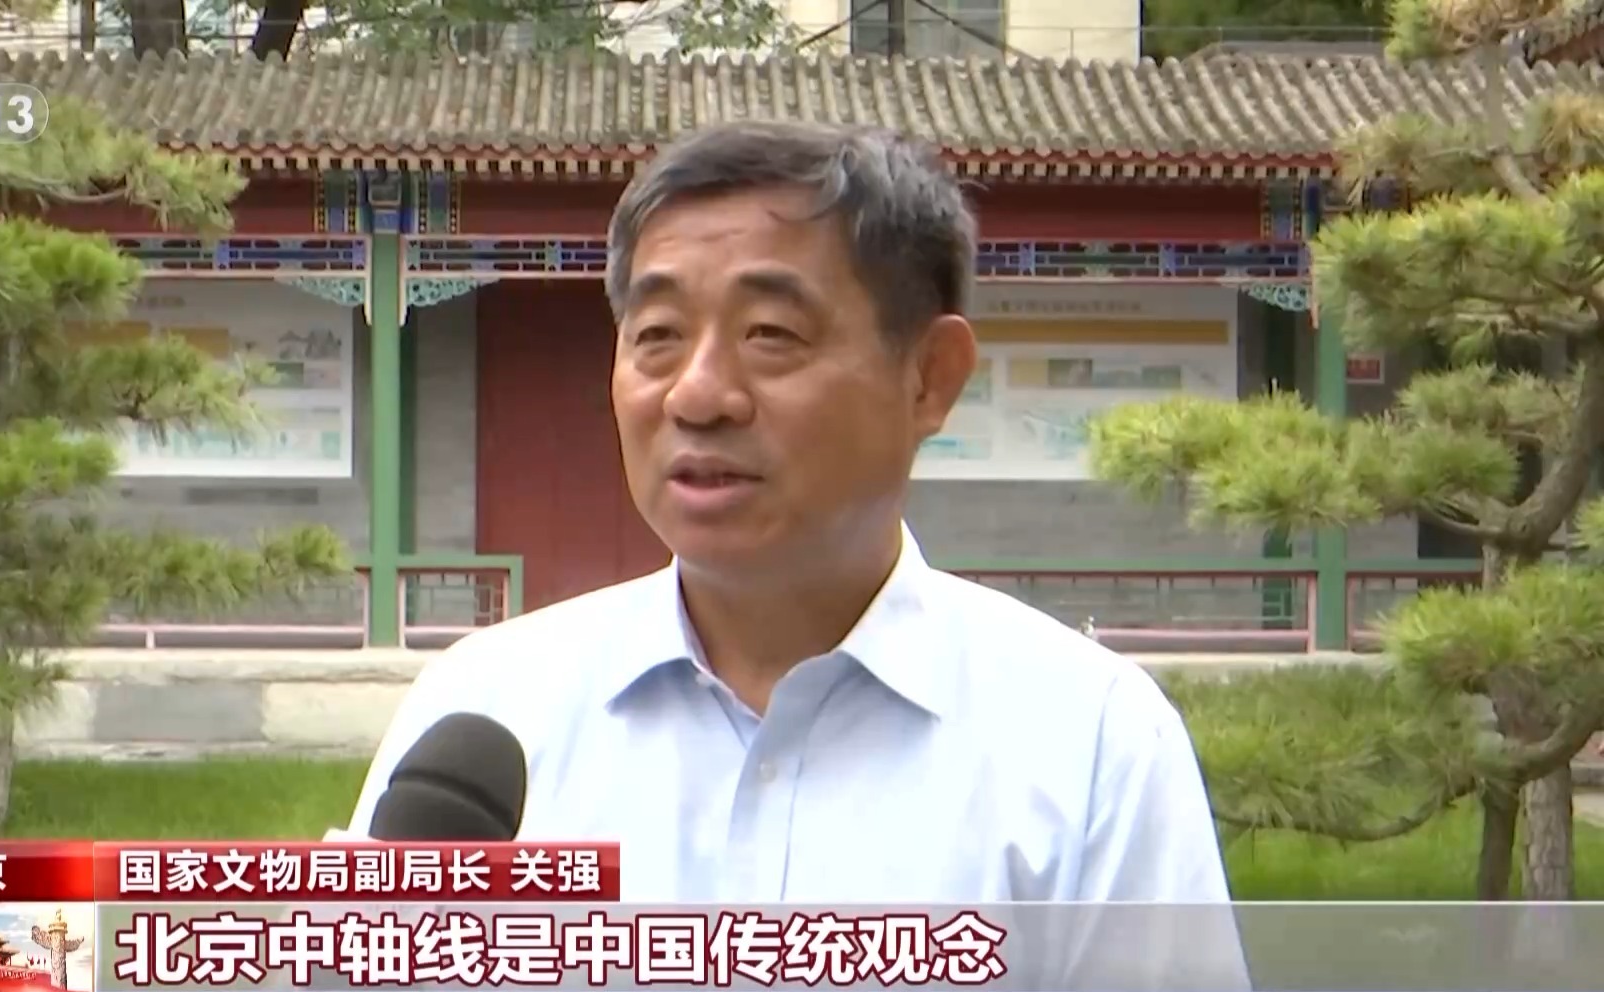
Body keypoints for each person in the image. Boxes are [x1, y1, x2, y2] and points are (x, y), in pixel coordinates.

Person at [345, 121, 1244, 984]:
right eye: (657, 337)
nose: (698, 396)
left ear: (929, 378)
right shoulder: (485, 709)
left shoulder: (1089, 743)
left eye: (771, 335)